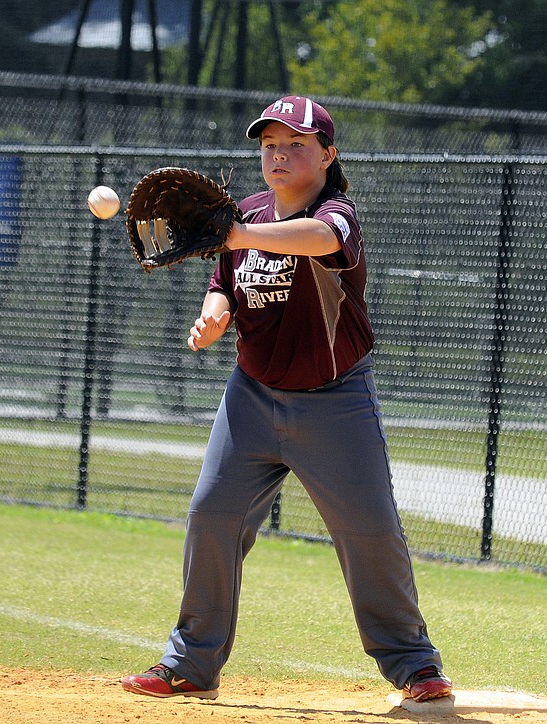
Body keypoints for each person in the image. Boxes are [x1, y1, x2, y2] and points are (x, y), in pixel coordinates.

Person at [121, 95, 452, 703]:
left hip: (334, 402)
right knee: (212, 516)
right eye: (270, 145)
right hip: (251, 397)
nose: (278, 154)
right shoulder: (243, 215)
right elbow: (225, 279)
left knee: (369, 532)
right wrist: (212, 316)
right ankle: (191, 664)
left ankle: (414, 666)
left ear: (327, 154)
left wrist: (238, 231)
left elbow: (319, 241)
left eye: (295, 144)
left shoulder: (336, 214)